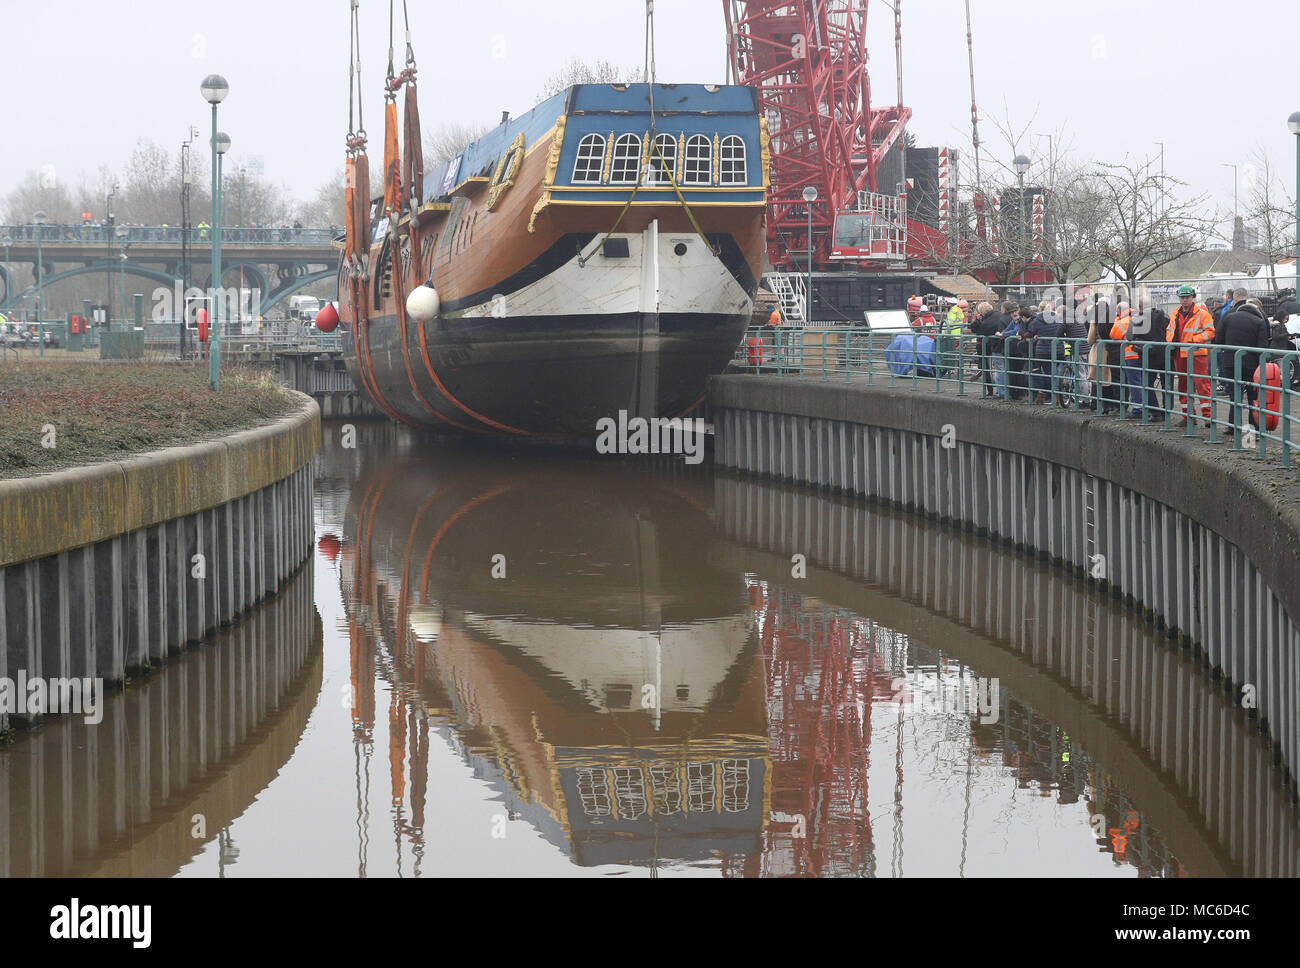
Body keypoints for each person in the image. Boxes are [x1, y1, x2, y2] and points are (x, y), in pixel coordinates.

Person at [1214, 296, 1270, 438]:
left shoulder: (1228, 317)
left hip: (1230, 363)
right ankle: (1255, 430)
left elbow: (1218, 339)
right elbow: (1262, 348)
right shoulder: (1259, 322)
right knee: (1253, 397)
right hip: (1251, 365)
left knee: (1235, 395)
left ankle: (1233, 427)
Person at [1166, 284, 1216, 426]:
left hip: (1197, 354)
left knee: (1202, 385)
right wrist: (1170, 342)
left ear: (1192, 297)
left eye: (1187, 297)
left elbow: (1210, 332)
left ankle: (1209, 417)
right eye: (1182, 297)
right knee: (1183, 385)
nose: (1184, 300)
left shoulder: (1202, 314)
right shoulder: (1175, 314)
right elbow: (1169, 330)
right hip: (1179, 354)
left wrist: (1193, 340)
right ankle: (1188, 417)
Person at [1129, 295, 1169, 416]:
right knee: (1166, 385)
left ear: (1140, 306)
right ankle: (1166, 412)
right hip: (1164, 354)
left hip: (1148, 356)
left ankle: (1155, 412)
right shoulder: (1164, 316)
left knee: (1147, 384)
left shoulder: (1138, 318)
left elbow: (1129, 337)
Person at [1029, 300, 1067, 404]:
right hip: (1058, 349)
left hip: (1043, 350)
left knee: (1048, 373)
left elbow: (1031, 331)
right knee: (1058, 372)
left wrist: (1036, 335)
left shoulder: (1037, 320)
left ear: (1040, 309)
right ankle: (1058, 395)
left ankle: (1048, 395)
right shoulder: (1057, 318)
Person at [1109, 302, 1143, 415]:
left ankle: (1138, 409)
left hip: (1130, 355)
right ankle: (1149, 408)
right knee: (1144, 382)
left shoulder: (1121, 322)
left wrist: (1117, 319)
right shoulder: (1140, 318)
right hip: (1144, 354)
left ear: (1119, 311)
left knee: (1134, 383)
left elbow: (1113, 334)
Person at [969, 301, 1008, 398]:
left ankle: (993, 391)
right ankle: (1002, 391)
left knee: (989, 368)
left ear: (981, 312)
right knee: (1003, 368)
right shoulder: (1000, 315)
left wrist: (978, 321)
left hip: (989, 346)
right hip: (1001, 346)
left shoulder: (986, 322)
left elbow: (977, 331)